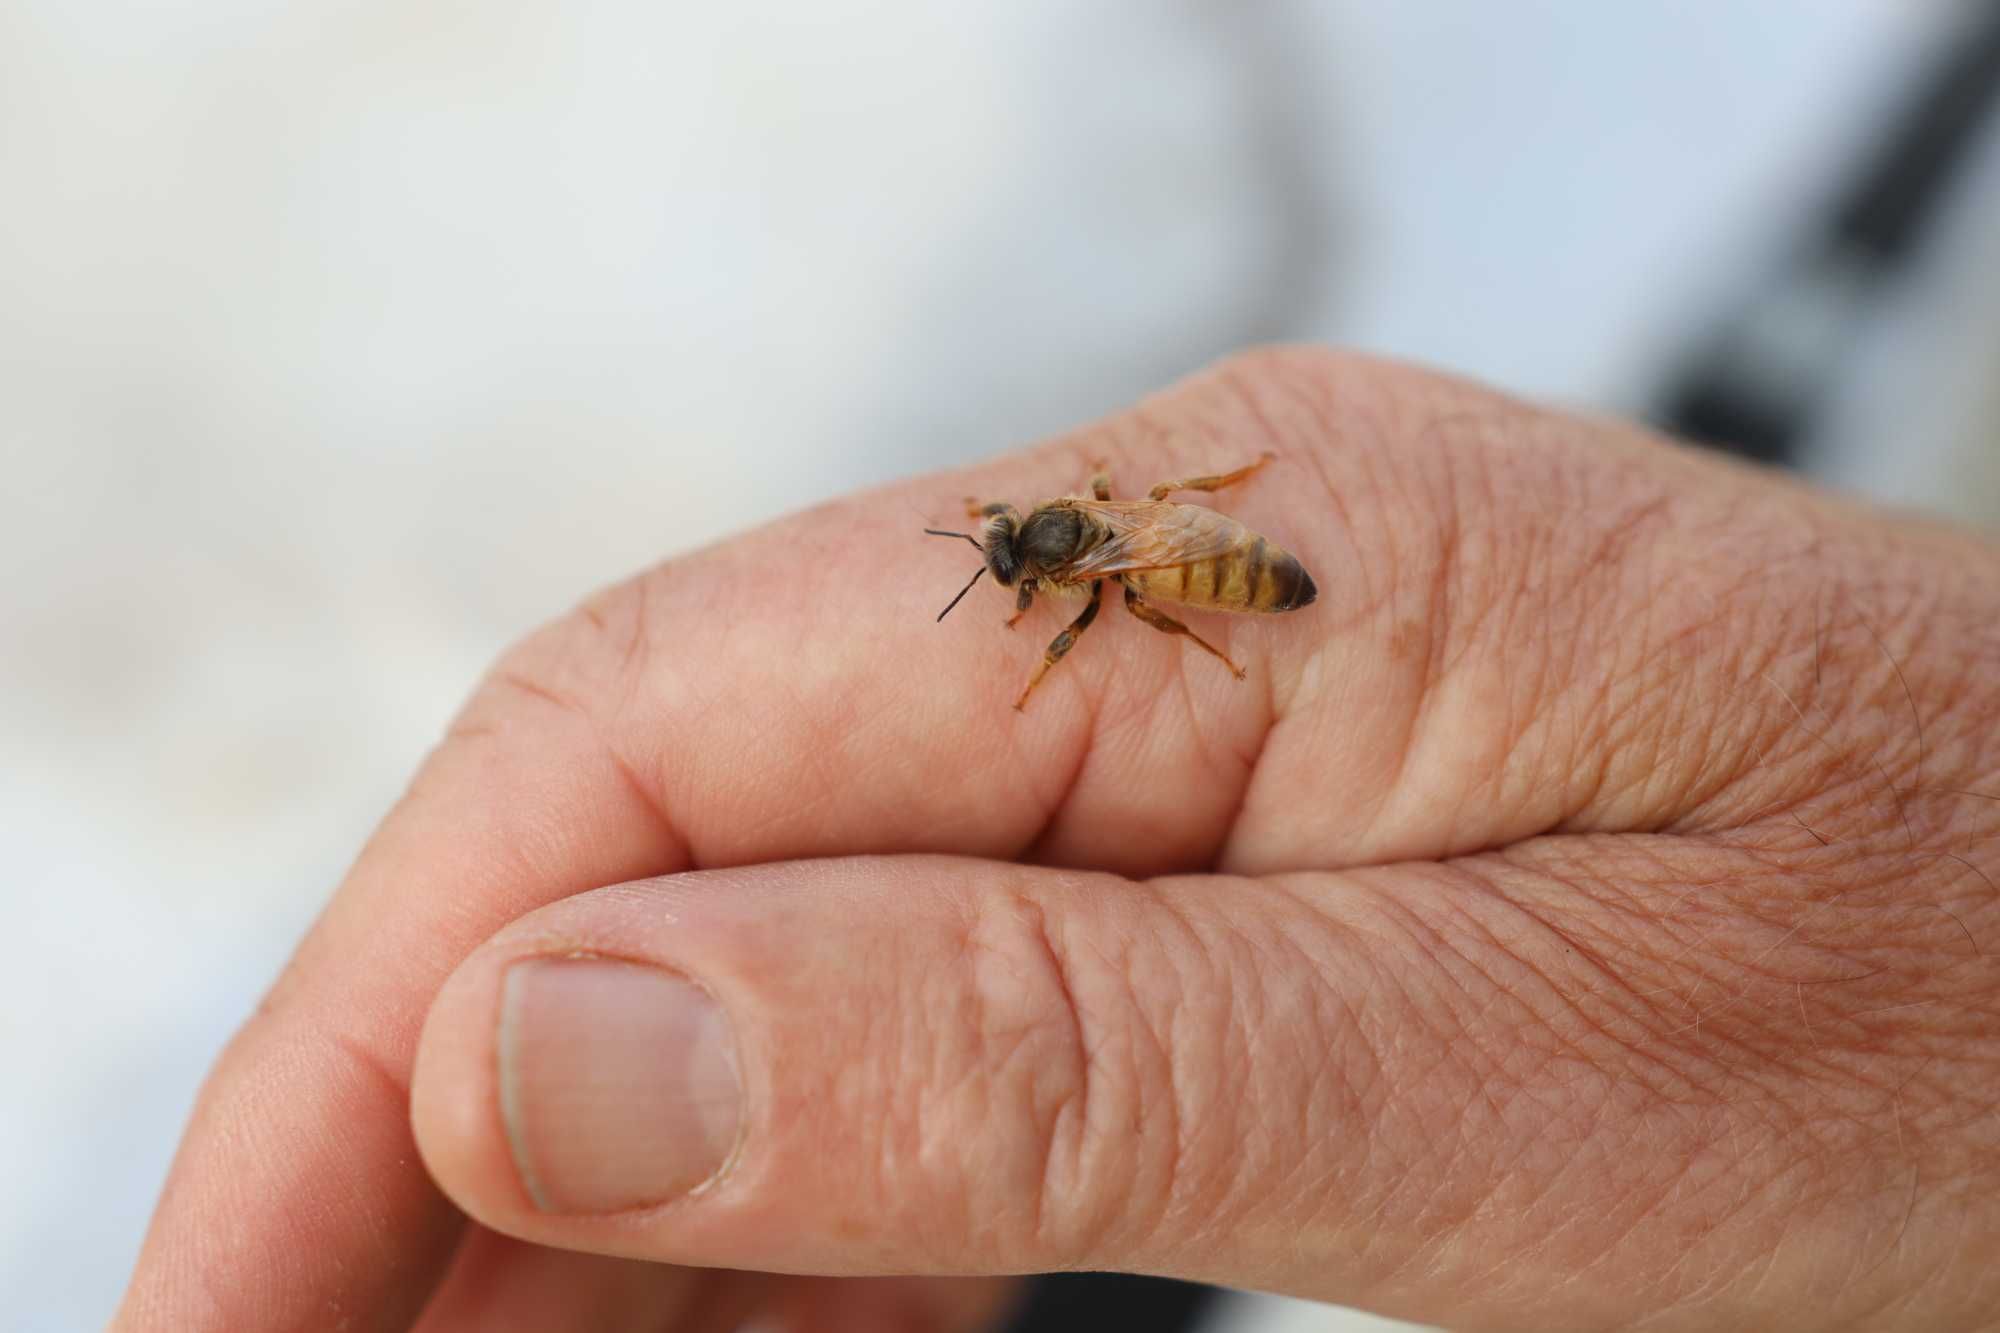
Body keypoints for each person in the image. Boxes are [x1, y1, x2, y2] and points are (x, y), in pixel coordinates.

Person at [113, 349, 2000, 1331]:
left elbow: (1122, 562)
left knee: (1177, 589)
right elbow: (1104, 540)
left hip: (1230, 565)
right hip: (1214, 546)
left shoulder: (1093, 564)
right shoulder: (1077, 541)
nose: (1016, 570)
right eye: (1014, 565)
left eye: (1014, 563)